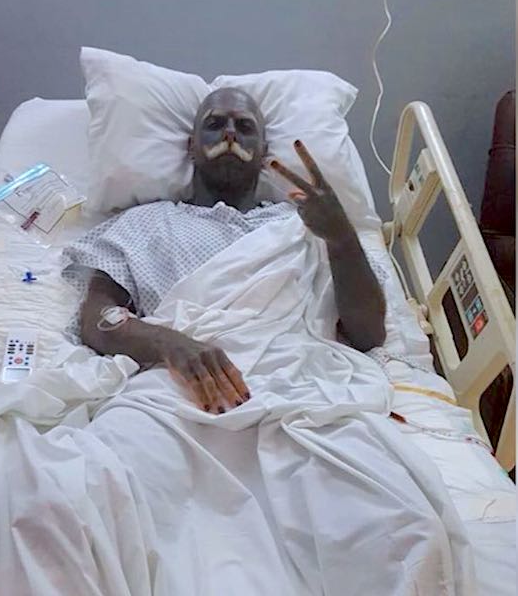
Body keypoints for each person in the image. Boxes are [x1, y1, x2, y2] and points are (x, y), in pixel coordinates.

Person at [66, 87, 387, 414]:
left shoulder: (308, 225)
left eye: (245, 127)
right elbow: (96, 319)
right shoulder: (143, 223)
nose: (230, 133)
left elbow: (368, 335)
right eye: (215, 124)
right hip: (176, 391)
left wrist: (342, 238)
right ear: (191, 146)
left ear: (264, 152)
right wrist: (168, 343)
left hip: (302, 391)